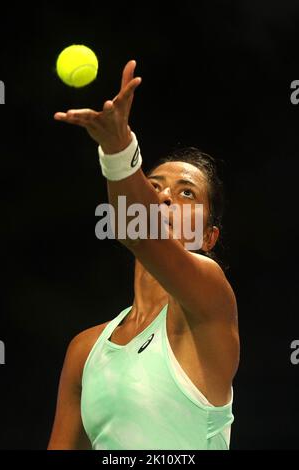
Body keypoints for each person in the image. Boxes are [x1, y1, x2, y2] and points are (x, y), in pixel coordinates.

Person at [47, 60, 240, 450]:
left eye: (186, 193)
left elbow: (138, 232)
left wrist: (118, 149)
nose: (165, 196)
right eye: (154, 187)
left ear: (208, 237)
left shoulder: (212, 301)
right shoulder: (85, 350)